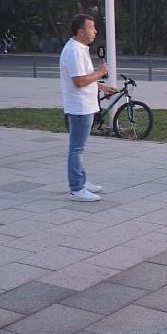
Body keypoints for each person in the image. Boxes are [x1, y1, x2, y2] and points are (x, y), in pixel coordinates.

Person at [60, 14, 116, 202]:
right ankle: (76, 189)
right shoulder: (74, 51)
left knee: (79, 148)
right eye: (92, 28)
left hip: (84, 106)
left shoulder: (79, 48)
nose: (95, 32)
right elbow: (79, 81)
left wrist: (100, 85)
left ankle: (81, 182)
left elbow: (83, 77)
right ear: (80, 31)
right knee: (77, 149)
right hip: (79, 108)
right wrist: (99, 73)